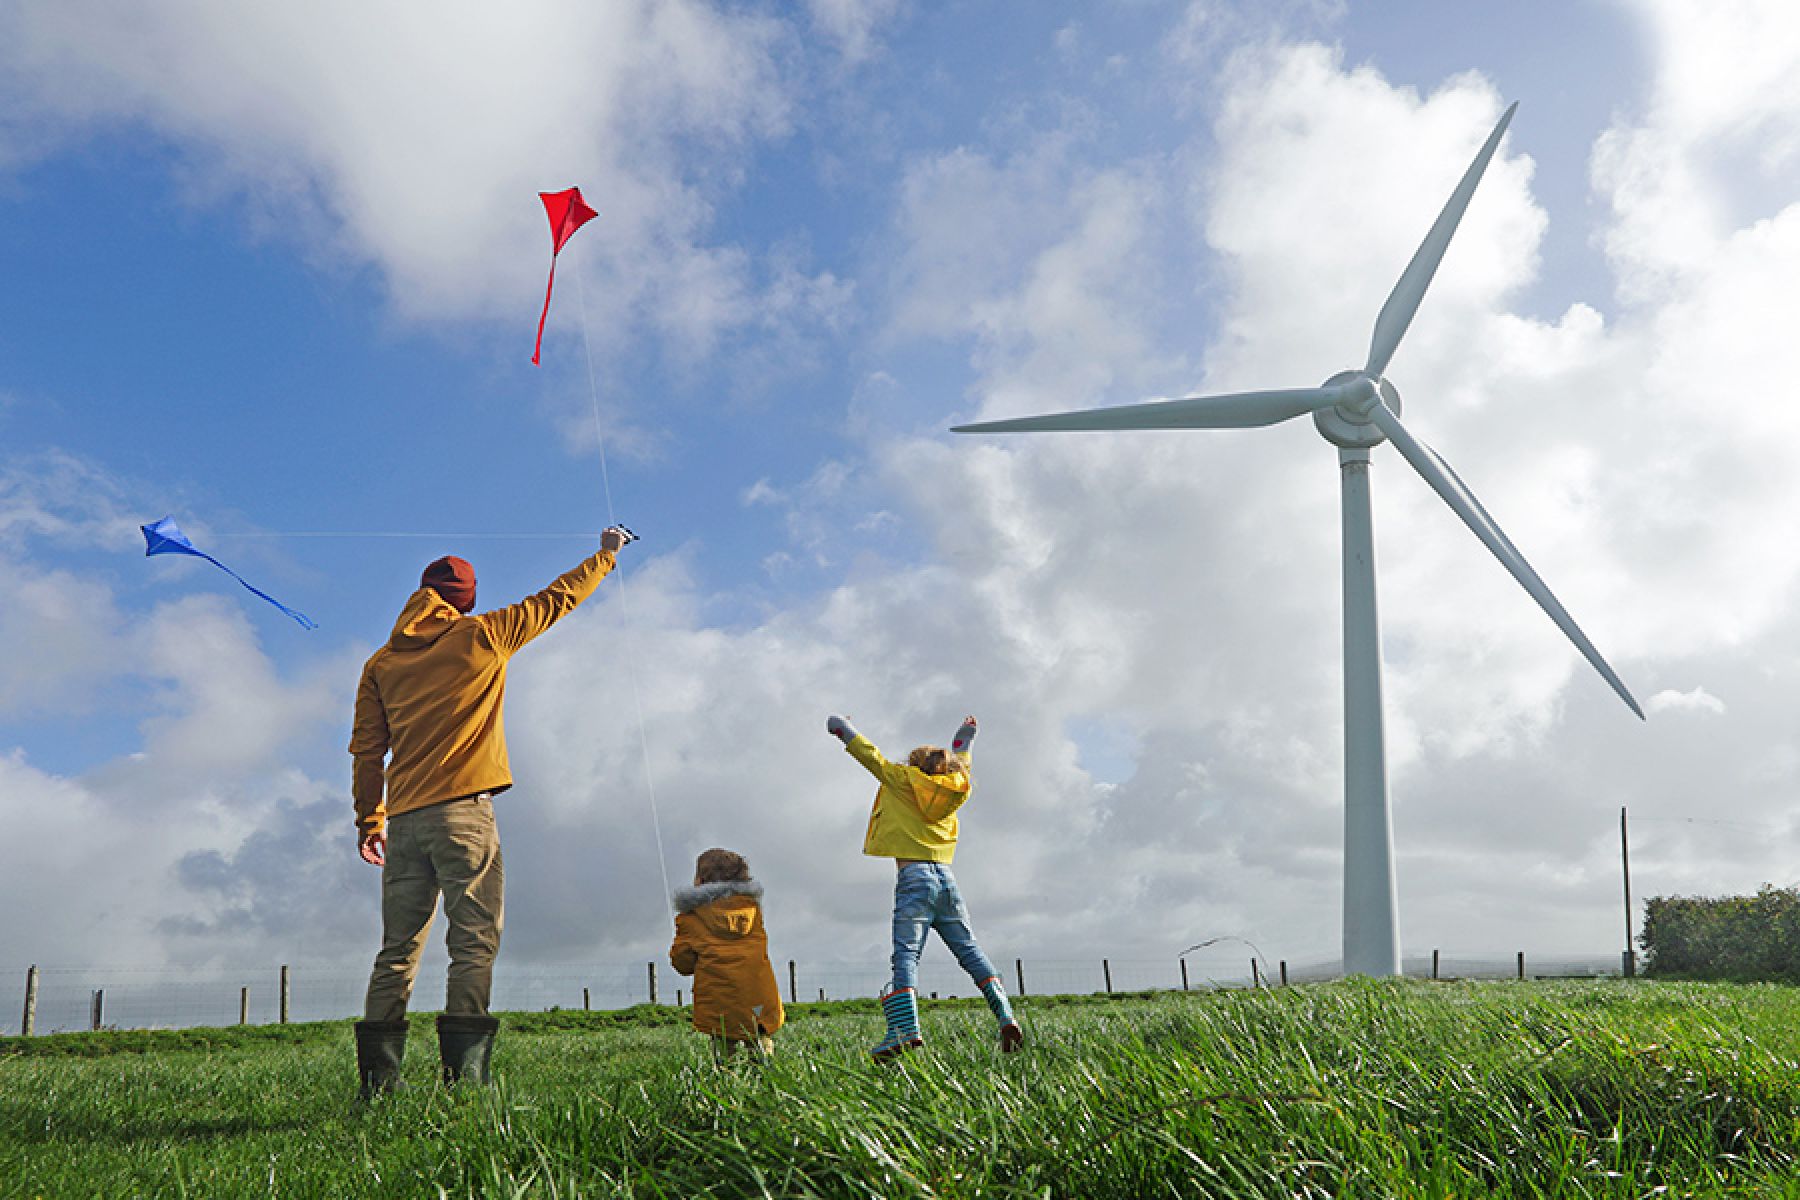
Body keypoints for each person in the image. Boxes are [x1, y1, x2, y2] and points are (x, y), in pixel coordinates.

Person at [348, 527, 630, 1098]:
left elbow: (366, 750)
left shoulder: (380, 663)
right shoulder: (483, 634)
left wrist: (368, 820)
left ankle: (379, 1089)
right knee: (473, 943)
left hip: (403, 821)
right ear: (467, 599)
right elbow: (557, 600)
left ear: (419, 593)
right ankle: (464, 1085)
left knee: (396, 951)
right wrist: (606, 556)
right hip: (464, 817)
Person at [826, 713, 1022, 1060]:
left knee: (906, 955)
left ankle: (904, 1030)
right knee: (970, 950)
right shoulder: (956, 788)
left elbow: (871, 757)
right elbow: (961, 764)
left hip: (913, 879)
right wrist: (964, 745)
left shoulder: (901, 780)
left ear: (913, 766)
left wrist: (844, 730)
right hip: (947, 880)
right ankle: (1006, 1015)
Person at [669, 847, 785, 1061]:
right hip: (759, 995)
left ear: (701, 880)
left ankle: (725, 1079)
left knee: (723, 1046)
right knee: (760, 1041)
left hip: (719, 1001)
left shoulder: (691, 917)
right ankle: (767, 1078)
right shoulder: (752, 911)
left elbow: (683, 963)